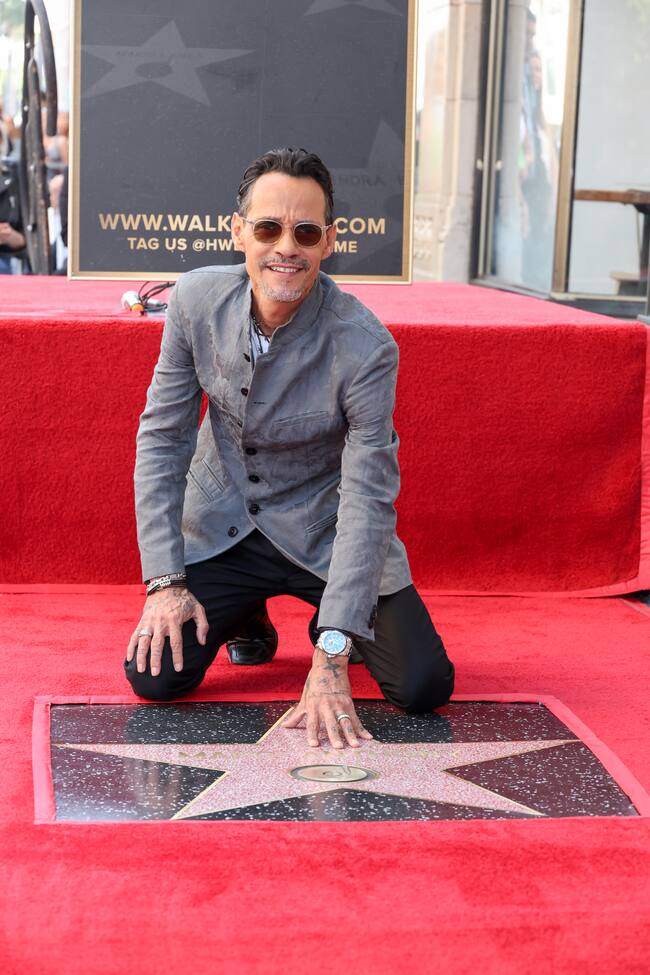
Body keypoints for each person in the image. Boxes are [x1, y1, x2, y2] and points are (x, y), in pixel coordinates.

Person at [125, 148, 455, 750]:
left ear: (329, 242)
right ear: (239, 232)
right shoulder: (196, 302)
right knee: (154, 676)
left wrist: (332, 650)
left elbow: (368, 492)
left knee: (423, 684)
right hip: (223, 525)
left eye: (305, 232)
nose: (286, 248)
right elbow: (164, 438)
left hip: (323, 534)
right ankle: (247, 609)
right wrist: (164, 581)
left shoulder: (366, 346)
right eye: (269, 228)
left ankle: (328, 615)